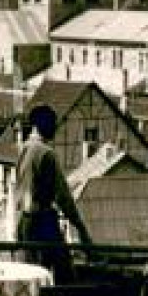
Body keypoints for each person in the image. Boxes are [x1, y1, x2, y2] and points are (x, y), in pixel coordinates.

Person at [15, 104, 93, 282]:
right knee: (63, 271)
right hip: (42, 219)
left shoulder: (25, 149)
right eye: (52, 123)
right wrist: (80, 227)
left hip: (24, 220)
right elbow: (62, 195)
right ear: (42, 124)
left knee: (31, 273)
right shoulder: (46, 153)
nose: (55, 127)